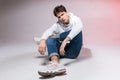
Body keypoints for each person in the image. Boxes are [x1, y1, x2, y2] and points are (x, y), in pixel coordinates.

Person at [35, 5, 83, 77]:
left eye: (62, 14)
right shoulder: (58, 24)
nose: (61, 18)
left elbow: (79, 27)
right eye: (59, 17)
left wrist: (65, 40)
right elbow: (49, 30)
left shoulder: (75, 19)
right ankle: (55, 65)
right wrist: (43, 40)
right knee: (50, 39)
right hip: (62, 51)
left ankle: (57, 37)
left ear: (66, 12)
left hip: (73, 51)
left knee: (78, 31)